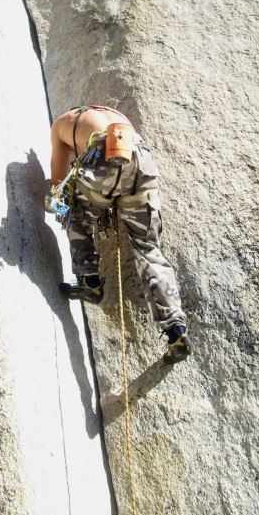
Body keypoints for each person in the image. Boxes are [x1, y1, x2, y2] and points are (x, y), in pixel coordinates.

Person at [46, 105, 191, 361]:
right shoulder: (116, 116)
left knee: (71, 210)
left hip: (101, 158)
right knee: (149, 249)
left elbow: (57, 187)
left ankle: (89, 282)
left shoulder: (62, 123)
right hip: (141, 160)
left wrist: (57, 201)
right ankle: (175, 329)